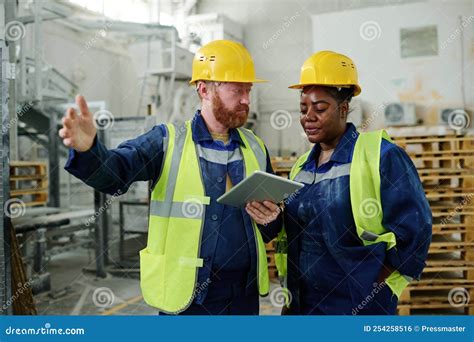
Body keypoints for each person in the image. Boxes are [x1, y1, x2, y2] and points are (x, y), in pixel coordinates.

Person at [59, 39, 281, 315]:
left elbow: (270, 223)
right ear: (204, 90)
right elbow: (116, 174)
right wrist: (90, 151)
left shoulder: (256, 148)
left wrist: (273, 220)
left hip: (243, 298)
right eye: (237, 90)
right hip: (187, 299)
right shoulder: (167, 141)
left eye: (248, 89)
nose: (247, 99)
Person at [247, 50, 432, 315]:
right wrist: (272, 219)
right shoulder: (301, 167)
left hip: (359, 304)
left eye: (320, 108)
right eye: (303, 109)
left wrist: (373, 284)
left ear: (344, 108)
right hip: (303, 303)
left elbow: (417, 228)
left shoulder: (380, 155)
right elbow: (295, 231)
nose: (308, 116)